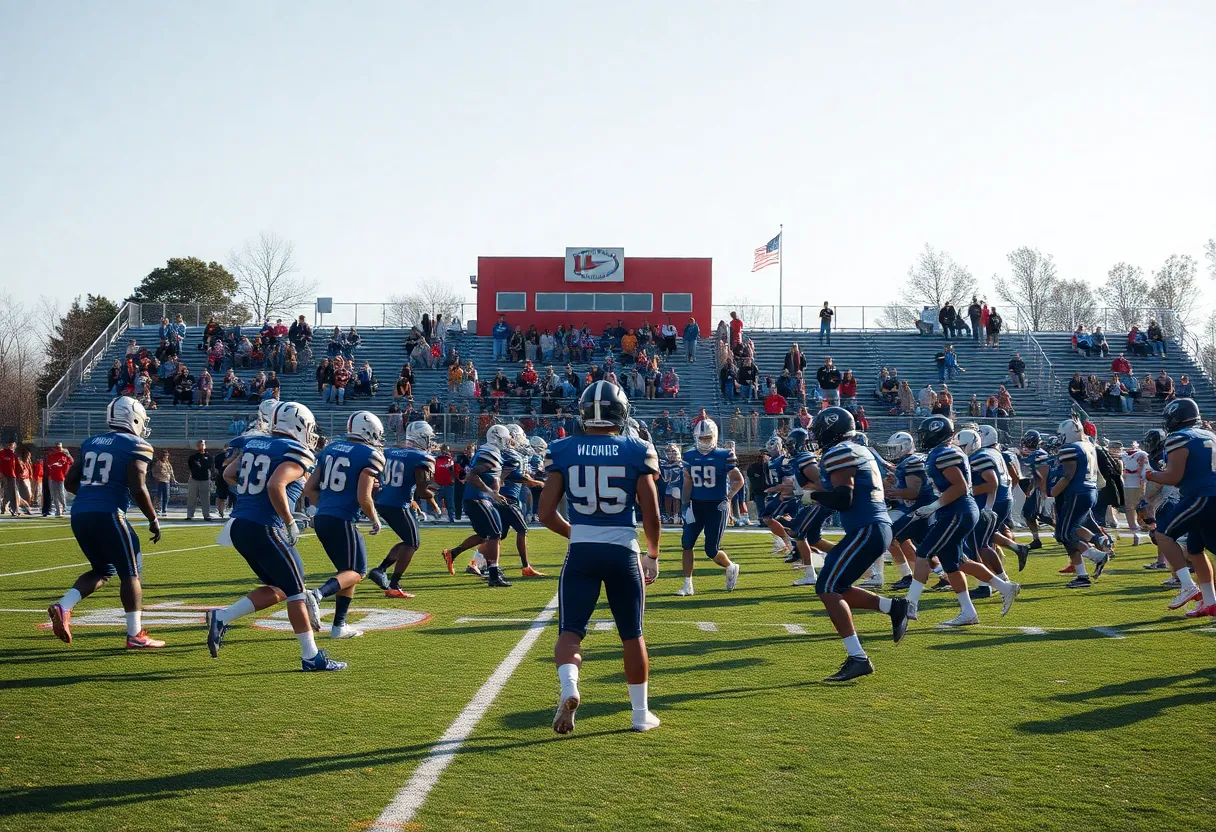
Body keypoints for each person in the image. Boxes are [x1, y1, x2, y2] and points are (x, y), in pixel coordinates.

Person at [539, 380, 662, 734]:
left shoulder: (563, 449)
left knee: (570, 631)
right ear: (621, 413)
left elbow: (546, 513)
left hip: (581, 553)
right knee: (632, 634)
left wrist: (578, 534)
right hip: (623, 550)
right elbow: (651, 514)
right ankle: (639, 715)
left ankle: (570, 687)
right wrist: (652, 554)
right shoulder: (636, 449)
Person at [46, 397, 165, 649]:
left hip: (79, 513)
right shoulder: (137, 444)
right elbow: (138, 488)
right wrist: (153, 518)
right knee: (130, 572)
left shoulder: (91, 442)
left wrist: (91, 498)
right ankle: (135, 635)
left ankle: (63, 606)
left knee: (103, 570)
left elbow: (69, 482)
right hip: (110, 513)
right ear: (133, 418)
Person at [806, 407, 908, 681]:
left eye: (819, 430)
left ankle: (858, 658)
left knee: (827, 587)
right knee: (836, 586)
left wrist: (811, 498)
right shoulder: (858, 448)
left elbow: (843, 498)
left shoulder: (838, 452)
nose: (816, 436)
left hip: (868, 527)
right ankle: (893, 607)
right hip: (874, 526)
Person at [903, 416, 1020, 624]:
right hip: (955, 510)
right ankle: (980, 604)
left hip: (956, 511)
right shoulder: (946, 451)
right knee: (955, 564)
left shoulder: (943, 453)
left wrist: (933, 506)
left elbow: (960, 486)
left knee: (923, 552)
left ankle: (909, 604)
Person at [301, 412, 385, 639]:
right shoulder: (370, 454)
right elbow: (363, 497)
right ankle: (317, 595)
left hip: (322, 517)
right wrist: (375, 519)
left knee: (347, 572)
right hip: (343, 519)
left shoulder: (330, 449)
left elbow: (308, 489)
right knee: (358, 571)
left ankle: (339, 626)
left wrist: (328, 507)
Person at [1145, 399, 1216, 616]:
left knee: (1163, 534)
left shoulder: (1179, 437)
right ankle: (1210, 602)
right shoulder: (1209, 434)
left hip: (1201, 495)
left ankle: (1187, 585)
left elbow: (1174, 477)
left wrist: (1149, 474)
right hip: (1208, 494)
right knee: (1195, 548)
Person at [673, 419, 744, 597]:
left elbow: (738, 480)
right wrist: (684, 504)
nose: (705, 441)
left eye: (708, 438)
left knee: (711, 550)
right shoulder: (689, 456)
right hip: (696, 505)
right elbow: (688, 481)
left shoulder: (724, 455)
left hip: (716, 506)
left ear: (715, 436)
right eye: (702, 438)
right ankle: (688, 585)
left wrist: (728, 498)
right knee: (687, 543)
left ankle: (730, 566)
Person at [442, 424, 514, 587]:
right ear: (497, 438)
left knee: (485, 535)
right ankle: (493, 575)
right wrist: (491, 492)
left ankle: (453, 553)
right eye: (505, 439)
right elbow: (472, 475)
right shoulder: (488, 452)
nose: (507, 442)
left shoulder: (490, 452)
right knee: (495, 534)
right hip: (479, 498)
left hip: (478, 498)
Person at [1051, 418, 1113, 588]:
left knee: (1063, 535)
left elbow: (1068, 474)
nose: (1060, 438)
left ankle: (1096, 555)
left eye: (1061, 435)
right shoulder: (1088, 445)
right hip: (1089, 491)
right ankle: (1082, 575)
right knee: (1072, 531)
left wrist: (1053, 491)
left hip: (1078, 493)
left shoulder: (1070, 448)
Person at [497, 423, 546, 577]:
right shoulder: (509, 454)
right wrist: (536, 482)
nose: (522, 440)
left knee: (498, 535)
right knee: (522, 529)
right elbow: (513, 476)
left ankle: (484, 564)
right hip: (506, 498)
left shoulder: (511, 454)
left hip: (505, 497)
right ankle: (526, 567)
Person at [185, 440, 213, 521]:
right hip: (194, 479)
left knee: (205, 498)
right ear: (197, 446)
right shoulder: (193, 457)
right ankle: (190, 515)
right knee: (192, 498)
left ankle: (206, 515)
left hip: (205, 479)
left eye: (202, 445)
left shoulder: (209, 456)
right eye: (199, 445)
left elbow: (209, 466)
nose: (201, 446)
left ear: (205, 446)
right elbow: (191, 466)